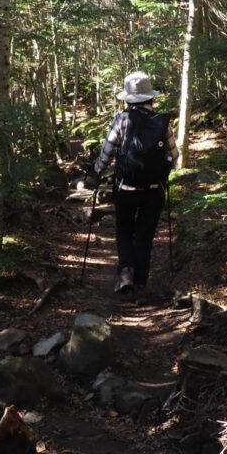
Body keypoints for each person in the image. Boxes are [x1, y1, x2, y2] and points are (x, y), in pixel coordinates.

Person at [87, 71, 178, 302]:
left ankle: (126, 271)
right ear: (150, 98)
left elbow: (107, 152)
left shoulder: (121, 120)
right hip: (154, 189)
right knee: (145, 237)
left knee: (124, 229)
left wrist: (97, 172)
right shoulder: (161, 122)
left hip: (125, 187)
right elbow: (173, 155)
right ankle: (140, 288)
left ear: (128, 99)